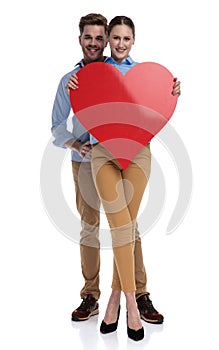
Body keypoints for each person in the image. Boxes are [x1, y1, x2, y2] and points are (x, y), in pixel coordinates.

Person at [52, 13, 180, 328]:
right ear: (80, 40)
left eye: (100, 37)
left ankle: (137, 295)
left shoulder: (126, 72)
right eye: (89, 38)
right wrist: (74, 144)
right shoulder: (75, 78)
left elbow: (145, 108)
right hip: (89, 158)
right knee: (90, 227)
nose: (96, 43)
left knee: (127, 225)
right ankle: (91, 295)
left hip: (130, 155)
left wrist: (168, 89)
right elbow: (56, 126)